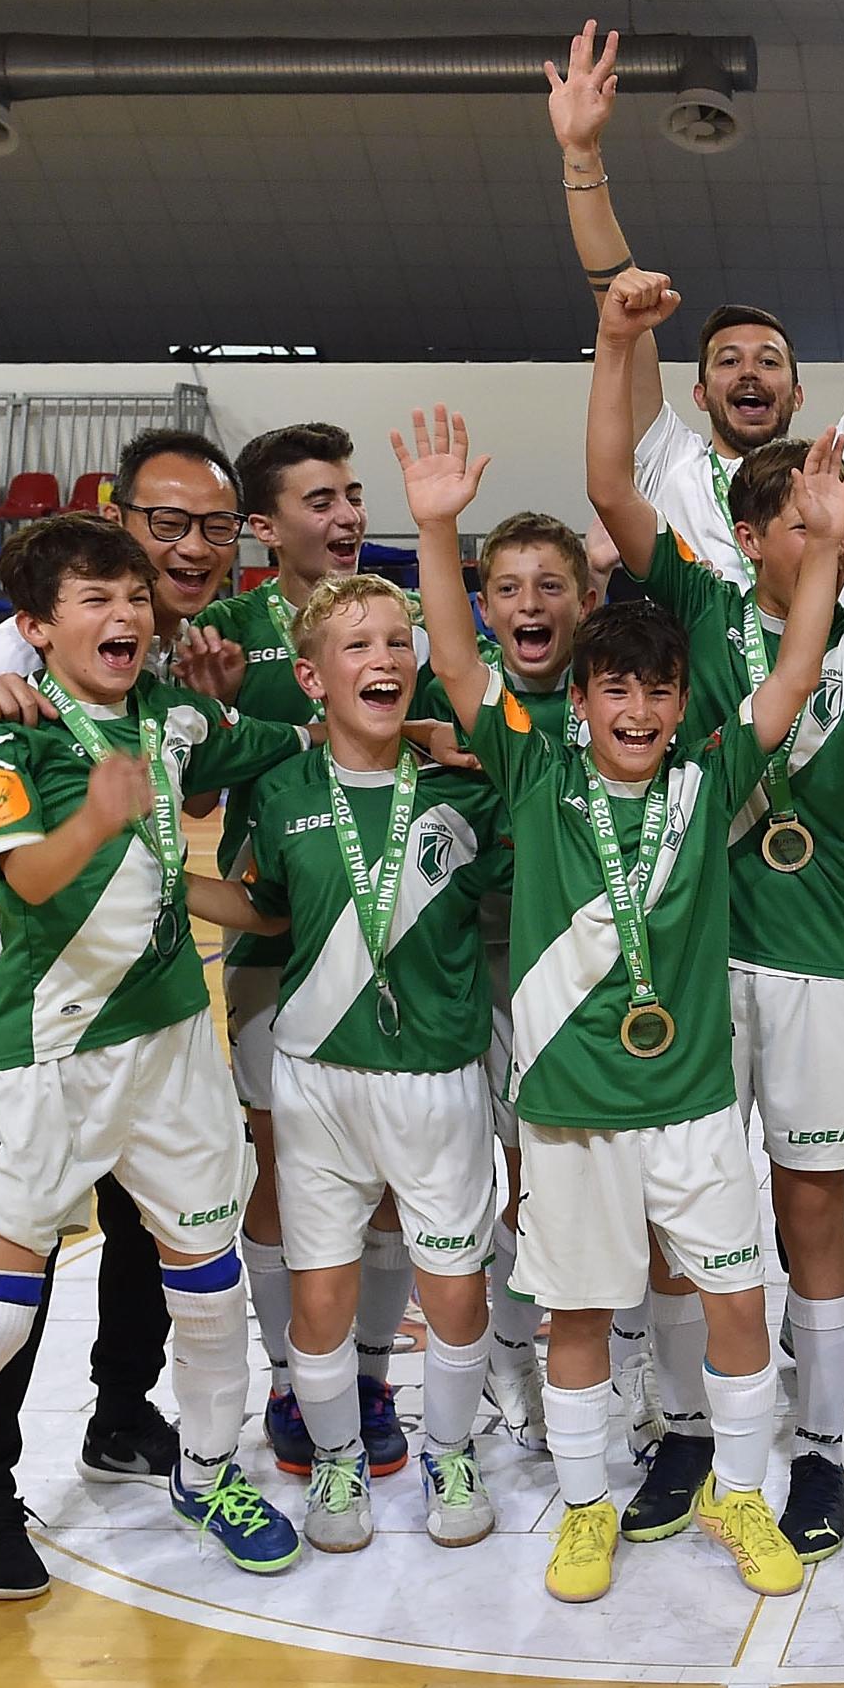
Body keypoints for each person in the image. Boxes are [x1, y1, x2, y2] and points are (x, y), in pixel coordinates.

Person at [0, 516, 310, 1677]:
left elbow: (289, 738)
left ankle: (207, 1473)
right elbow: (33, 879)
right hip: (46, 1055)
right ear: (37, 625)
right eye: (95, 599)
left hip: (172, 1049)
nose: (125, 616)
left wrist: (398, 730)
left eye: (135, 597)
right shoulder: (8, 733)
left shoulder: (176, 716)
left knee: (207, 1287)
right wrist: (100, 812)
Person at [408, 381, 844, 1605]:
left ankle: (740, 1494)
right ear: (584, 699)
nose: (640, 710)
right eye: (617, 691)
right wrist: (437, 529)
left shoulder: (711, 777)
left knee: (733, 1297)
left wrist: (820, 547)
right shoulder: (534, 768)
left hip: (693, 1102)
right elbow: (457, 659)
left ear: (682, 701)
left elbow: (796, 668)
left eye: (659, 692)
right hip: (570, 1108)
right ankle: (588, 1507)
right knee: (582, 1316)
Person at [586, 268, 844, 1565]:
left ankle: (816, 1446)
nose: (827, 530)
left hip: (817, 961)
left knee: (813, 1210)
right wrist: (613, 339)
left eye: (837, 514)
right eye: (800, 516)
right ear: (748, 536)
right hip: (701, 961)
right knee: (683, 1215)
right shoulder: (700, 610)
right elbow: (610, 487)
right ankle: (689, 1431)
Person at [237, 571, 511, 1555]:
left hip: (438, 1075)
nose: (384, 658)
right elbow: (268, 911)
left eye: (399, 641)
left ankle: (451, 1451)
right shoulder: (281, 795)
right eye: (357, 645)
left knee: (457, 1287)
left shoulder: (465, 791)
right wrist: (160, 883)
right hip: (316, 1079)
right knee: (320, 1294)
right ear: (312, 677)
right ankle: (338, 1459)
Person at [546, 18, 844, 574]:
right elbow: (614, 295)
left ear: (797, 395)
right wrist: (580, 151)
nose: (749, 372)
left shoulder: (831, 476)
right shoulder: (669, 462)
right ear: (700, 395)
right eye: (729, 361)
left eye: (769, 362)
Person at [198, 421, 419, 1482]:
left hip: (391, 926)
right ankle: (291, 1377)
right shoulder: (222, 631)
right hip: (272, 934)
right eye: (320, 500)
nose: (347, 516)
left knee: (386, 1176)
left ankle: (368, 1375)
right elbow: (195, 795)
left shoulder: (389, 619)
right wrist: (213, 701)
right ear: (264, 525)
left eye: (353, 496)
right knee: (282, 1165)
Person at [463, 510, 600, 1446]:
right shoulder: (462, 697)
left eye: (550, 586)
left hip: (589, 969)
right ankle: (510, 1363)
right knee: (511, 1183)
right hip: (480, 965)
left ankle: (624, 1364)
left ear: (585, 601)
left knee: (601, 1181)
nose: (529, 604)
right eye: (507, 589)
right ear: (483, 608)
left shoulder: (612, 698)